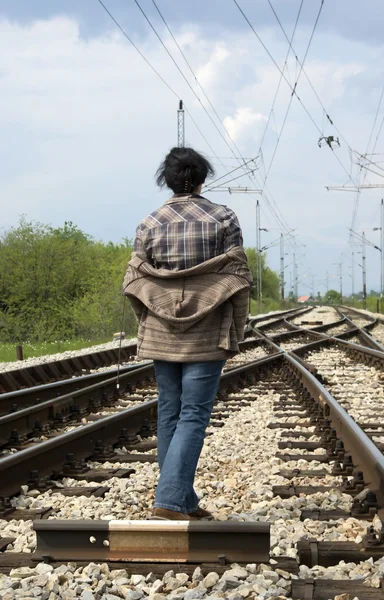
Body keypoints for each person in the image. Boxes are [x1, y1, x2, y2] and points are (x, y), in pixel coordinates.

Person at [123, 147, 252, 520]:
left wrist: (147, 321)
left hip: (161, 334)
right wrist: (236, 330)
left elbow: (135, 281)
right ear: (201, 179)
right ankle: (171, 500)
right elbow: (239, 281)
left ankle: (182, 498)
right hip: (207, 333)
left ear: (167, 179)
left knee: (170, 412)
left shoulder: (149, 224)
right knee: (193, 414)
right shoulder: (223, 218)